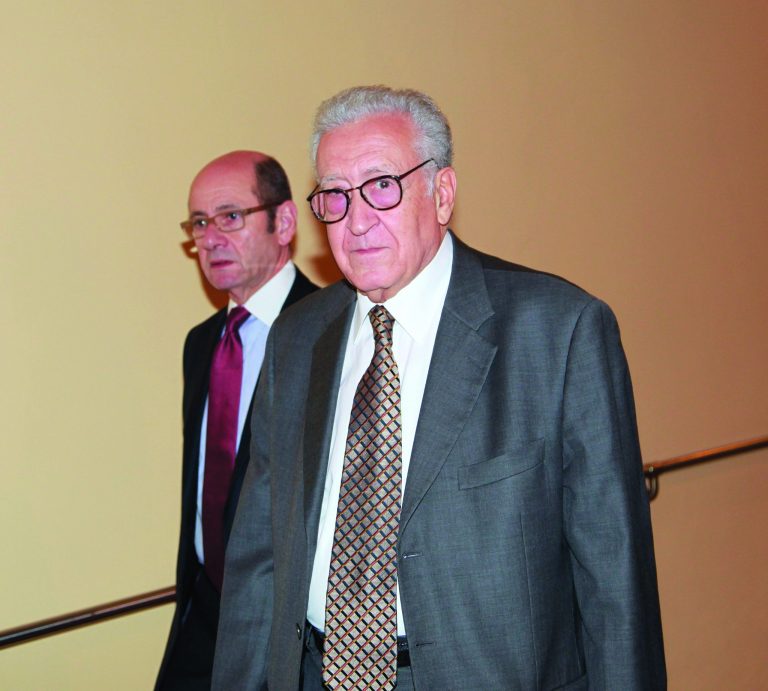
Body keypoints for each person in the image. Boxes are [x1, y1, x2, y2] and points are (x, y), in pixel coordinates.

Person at [213, 87, 666, 690]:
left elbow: (615, 580)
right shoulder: (298, 339)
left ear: (443, 193)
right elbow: (257, 561)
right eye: (335, 196)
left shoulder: (557, 329)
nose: (357, 219)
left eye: (381, 185)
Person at [155, 150, 318, 691]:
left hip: (288, 634)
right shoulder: (201, 344)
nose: (210, 238)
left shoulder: (334, 331)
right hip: (203, 621)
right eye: (199, 223)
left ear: (284, 222)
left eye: (230, 216)